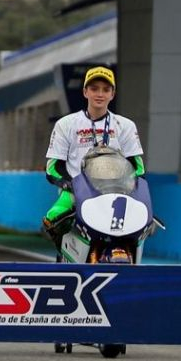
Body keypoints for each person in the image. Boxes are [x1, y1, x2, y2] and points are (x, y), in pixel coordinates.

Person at [42, 66, 145, 240]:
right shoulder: (66, 124)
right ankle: (64, 259)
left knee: (143, 222)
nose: (100, 94)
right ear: (85, 92)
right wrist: (71, 185)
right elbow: (52, 168)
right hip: (75, 192)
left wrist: (128, 186)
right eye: (94, 88)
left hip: (117, 193)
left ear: (112, 94)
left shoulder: (126, 125)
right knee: (51, 219)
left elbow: (138, 168)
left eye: (106, 90)